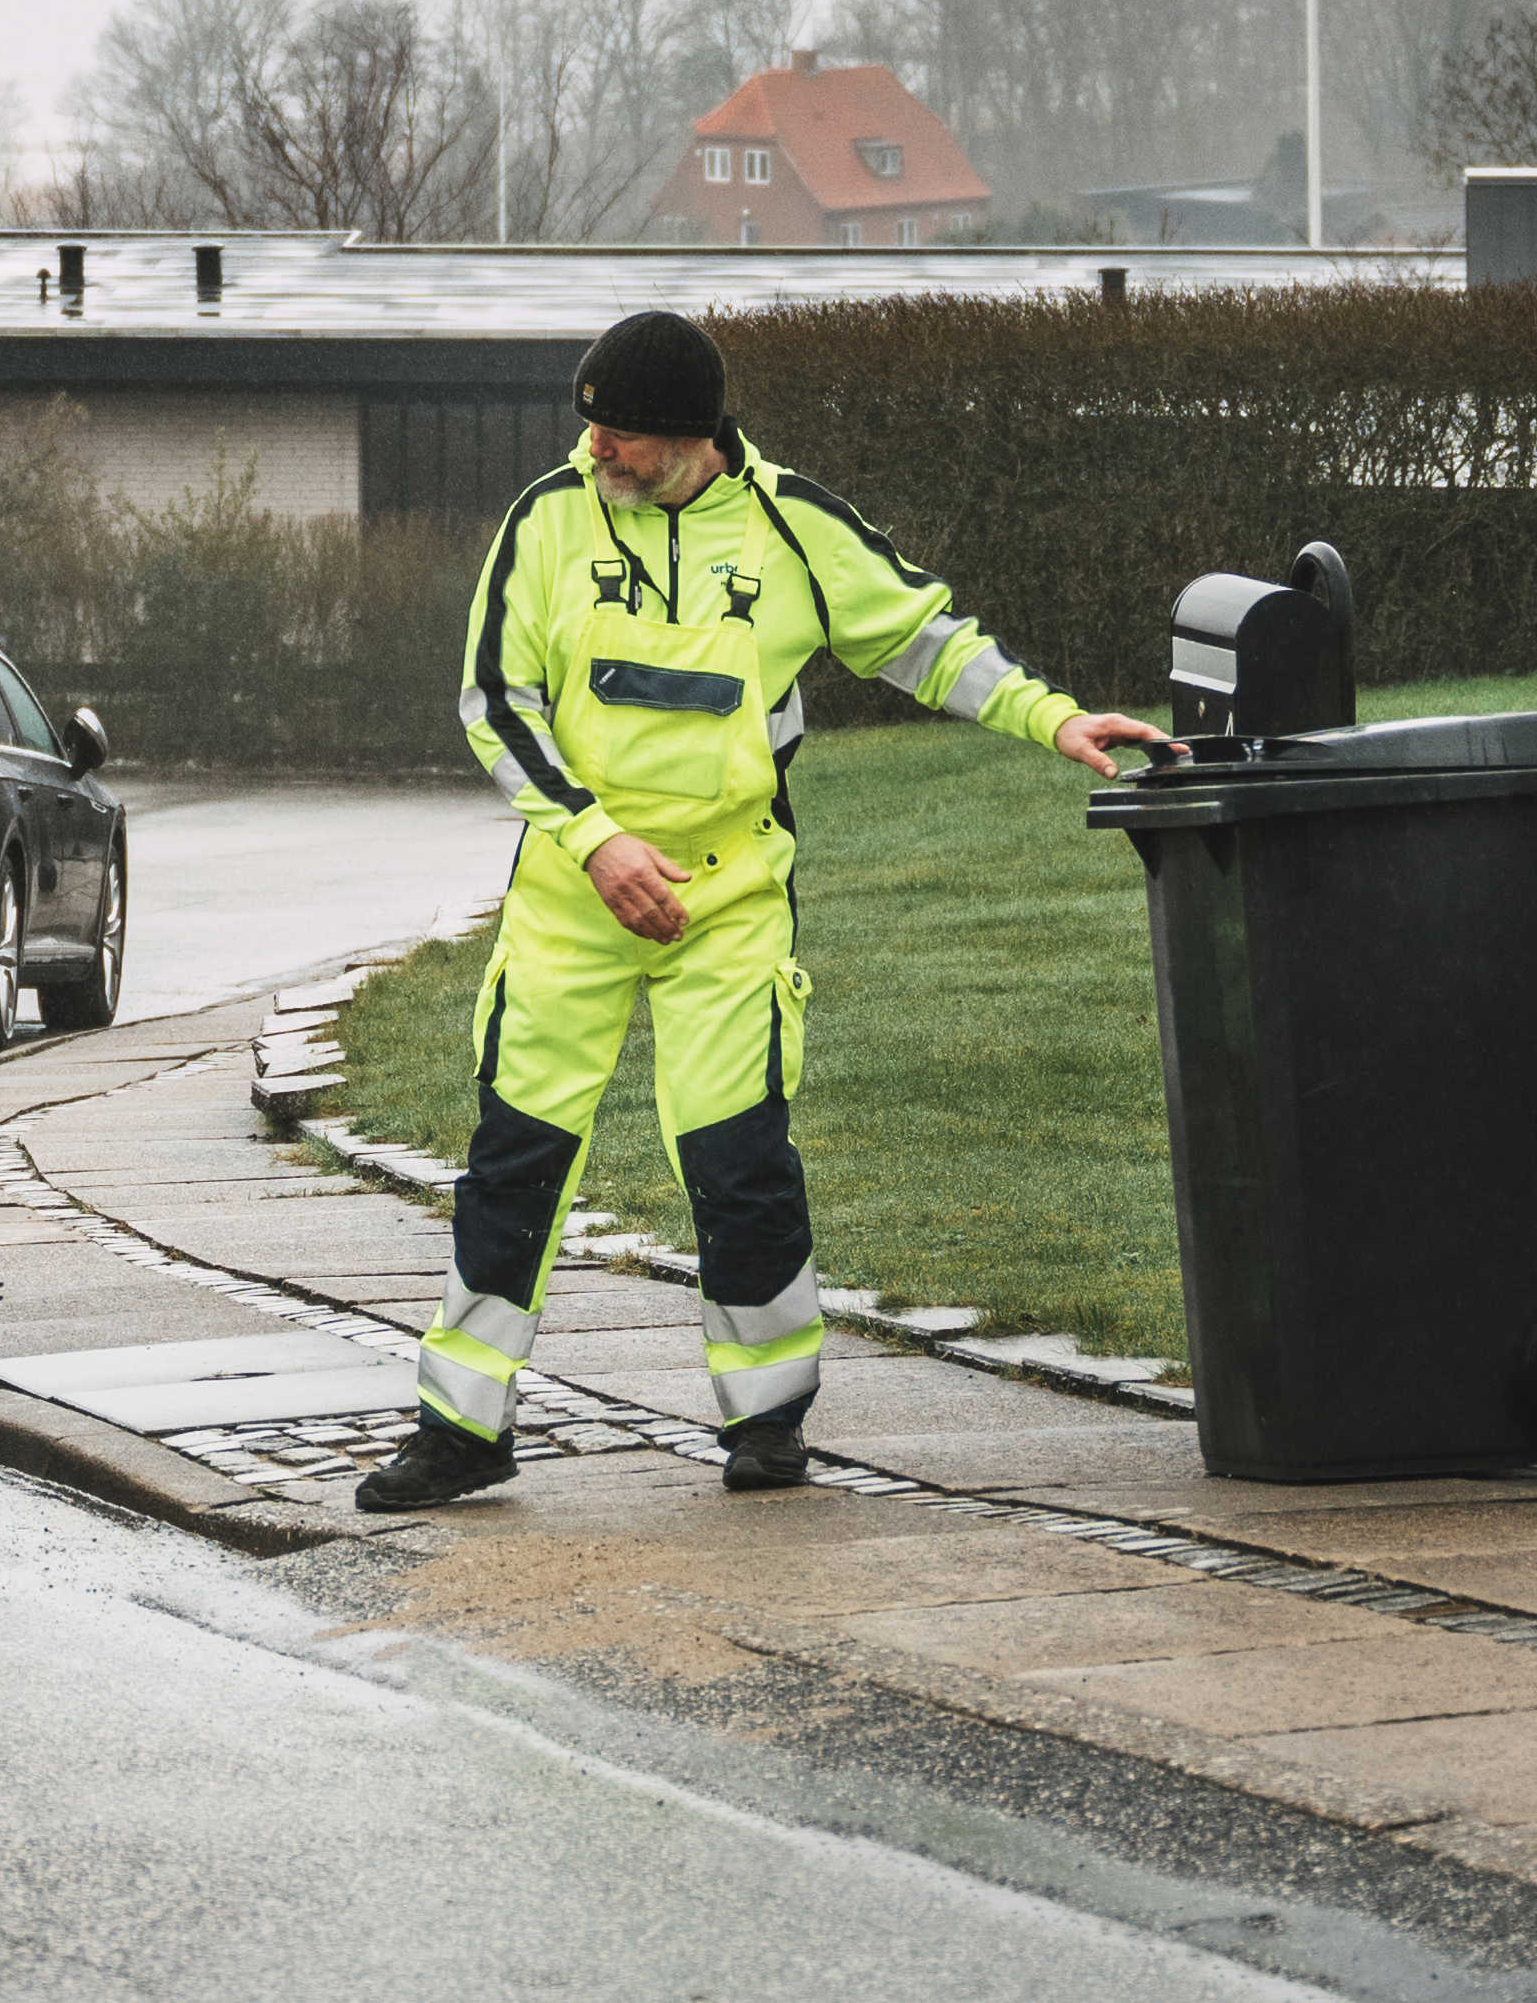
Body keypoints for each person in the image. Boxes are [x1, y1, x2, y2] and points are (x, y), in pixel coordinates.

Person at [360, 304, 1160, 1511]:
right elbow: (495, 701)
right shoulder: (546, 519)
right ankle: (461, 1426)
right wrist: (595, 839)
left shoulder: (794, 525)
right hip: (573, 894)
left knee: (739, 1163)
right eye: (589, 428)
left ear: (691, 436)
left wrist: (1054, 718)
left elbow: (929, 643)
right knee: (514, 1160)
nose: (595, 449)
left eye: (620, 433)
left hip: (729, 899)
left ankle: (768, 1422)